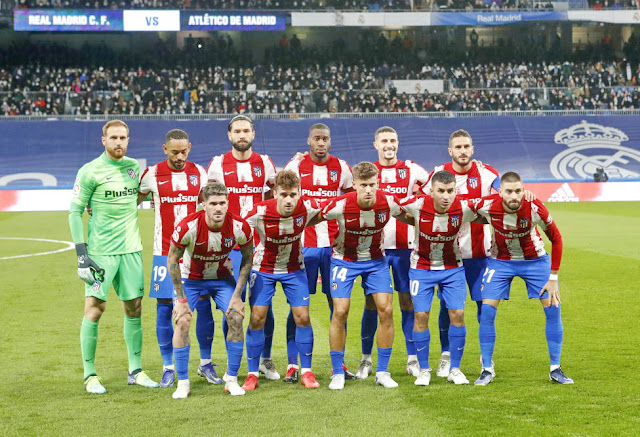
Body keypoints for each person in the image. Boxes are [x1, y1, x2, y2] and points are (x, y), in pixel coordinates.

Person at [69, 119, 158, 394]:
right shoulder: (89, 171)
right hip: (101, 253)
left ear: (128, 140)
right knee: (95, 309)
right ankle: (89, 375)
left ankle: (136, 370)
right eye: (114, 138)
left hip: (131, 250)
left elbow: (135, 198)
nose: (119, 142)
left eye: (123, 138)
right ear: (103, 140)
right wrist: (82, 254)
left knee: (134, 308)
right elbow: (75, 212)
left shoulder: (133, 168)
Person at [473, 172, 573, 386]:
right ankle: (487, 369)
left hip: (535, 261)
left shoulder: (535, 206)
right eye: (509, 191)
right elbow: (462, 210)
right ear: (499, 192)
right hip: (500, 261)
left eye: (518, 191)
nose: (514, 196)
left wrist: (553, 277)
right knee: (487, 310)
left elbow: (556, 238)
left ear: (523, 190)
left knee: (553, 308)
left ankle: (555, 368)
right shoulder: (487, 205)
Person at [138, 128, 219, 388]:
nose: (180, 156)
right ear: (164, 150)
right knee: (164, 307)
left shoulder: (199, 173)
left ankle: (205, 363)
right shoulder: (152, 174)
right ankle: (168, 367)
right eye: (174, 152)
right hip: (164, 252)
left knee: (203, 304)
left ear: (189, 147)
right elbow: (134, 198)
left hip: (196, 252)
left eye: (184, 151)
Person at [316, 162, 404, 391]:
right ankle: (337, 373)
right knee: (340, 311)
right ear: (353, 184)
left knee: (386, 309)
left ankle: (382, 372)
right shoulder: (340, 205)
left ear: (378, 183)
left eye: (372, 185)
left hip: (376, 262)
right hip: (345, 261)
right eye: (363, 185)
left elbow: (410, 217)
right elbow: (311, 218)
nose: (368, 190)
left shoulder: (388, 202)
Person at [421, 129, 500, 378]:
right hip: (447, 256)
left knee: (483, 307)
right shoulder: (438, 174)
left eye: (467, 146)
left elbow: (502, 199)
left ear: (472, 148)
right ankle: (446, 356)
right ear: (450, 151)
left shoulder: (487, 173)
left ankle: (486, 358)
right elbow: (421, 201)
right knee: (447, 307)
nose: (463, 151)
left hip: (479, 255)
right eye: (458, 147)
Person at [207, 115, 279, 380]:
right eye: (237, 131)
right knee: (232, 307)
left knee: (263, 306)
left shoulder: (265, 163)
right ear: (229, 135)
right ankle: (233, 360)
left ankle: (265, 359)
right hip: (229, 249)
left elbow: (275, 197)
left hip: (260, 247)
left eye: (246, 130)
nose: (241, 135)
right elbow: (208, 202)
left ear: (253, 133)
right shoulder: (217, 164)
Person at [168, 182, 253, 398]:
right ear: (203, 204)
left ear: (227, 204)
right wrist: (181, 299)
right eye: (213, 203)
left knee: (236, 317)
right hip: (191, 279)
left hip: (221, 279)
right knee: (182, 320)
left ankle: (231, 379)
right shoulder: (188, 227)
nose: (218, 208)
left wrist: (237, 296)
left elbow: (248, 258)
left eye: (222, 203)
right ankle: (183, 383)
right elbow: (172, 261)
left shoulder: (239, 227)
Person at [356, 126, 429, 380]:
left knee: (407, 301)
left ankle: (412, 359)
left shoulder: (413, 171)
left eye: (393, 140)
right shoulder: (366, 173)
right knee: (371, 303)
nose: (389, 144)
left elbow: (434, 191)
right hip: (373, 249)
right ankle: (366, 360)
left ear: (398, 143)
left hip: (403, 247)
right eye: (384, 140)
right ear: (375, 144)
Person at [283, 123, 354, 382]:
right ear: (309, 141)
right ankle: (293, 364)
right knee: (298, 307)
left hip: (334, 248)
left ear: (330, 141)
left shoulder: (342, 168)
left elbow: (350, 202)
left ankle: (340, 362)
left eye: (325, 138)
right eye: (317, 138)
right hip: (304, 245)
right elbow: (282, 197)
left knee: (338, 306)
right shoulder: (296, 167)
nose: (321, 143)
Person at [241, 170, 322, 391]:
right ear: (274, 193)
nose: (288, 200)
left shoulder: (306, 208)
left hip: (294, 268)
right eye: (284, 194)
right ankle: (251, 374)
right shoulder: (259, 212)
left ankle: (306, 372)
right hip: (263, 268)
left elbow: (329, 211)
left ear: (299, 194)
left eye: (293, 195)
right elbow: (237, 228)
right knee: (257, 317)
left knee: (302, 317)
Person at [400, 171, 479, 387]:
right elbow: (391, 205)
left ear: (456, 191)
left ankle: (455, 369)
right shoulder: (417, 205)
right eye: (441, 191)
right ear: (431, 191)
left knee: (458, 314)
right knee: (421, 316)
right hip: (421, 268)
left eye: (450, 191)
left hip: (452, 268)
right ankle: (424, 370)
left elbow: (492, 206)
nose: (446, 196)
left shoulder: (464, 207)